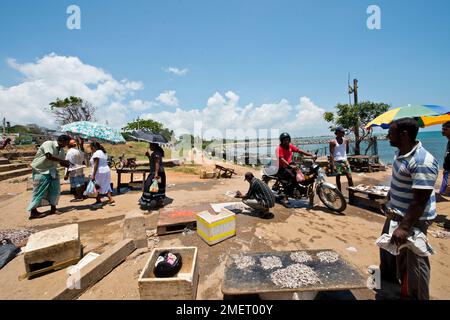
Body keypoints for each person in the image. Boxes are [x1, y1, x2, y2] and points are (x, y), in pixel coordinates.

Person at [379, 118, 438, 300]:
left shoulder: (422, 161)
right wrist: (388, 198)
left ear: (404, 135)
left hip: (414, 220)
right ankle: (391, 284)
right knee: (390, 252)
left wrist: (405, 227)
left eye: (391, 132)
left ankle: (417, 296)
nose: (388, 135)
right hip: (397, 213)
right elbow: (398, 181)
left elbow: (420, 200)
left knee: (415, 263)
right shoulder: (401, 153)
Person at [27, 135, 71, 219]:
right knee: (39, 190)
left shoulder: (61, 150)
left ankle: (53, 208)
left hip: (52, 171)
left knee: (55, 190)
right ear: (62, 141)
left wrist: (70, 165)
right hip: (40, 170)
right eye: (67, 142)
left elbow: (61, 162)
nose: (67, 144)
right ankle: (33, 212)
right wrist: (63, 161)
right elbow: (49, 156)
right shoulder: (49, 143)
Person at [276, 132, 314, 206]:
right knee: (292, 177)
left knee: (302, 174)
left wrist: (310, 155)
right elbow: (282, 159)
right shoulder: (279, 148)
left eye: (287, 140)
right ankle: (286, 198)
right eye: (284, 140)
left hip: (290, 165)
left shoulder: (290, 146)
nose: (286, 141)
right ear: (281, 141)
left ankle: (298, 189)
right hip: (281, 168)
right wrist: (290, 166)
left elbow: (299, 150)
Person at [139, 142, 166, 208]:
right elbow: (153, 162)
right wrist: (148, 156)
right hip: (158, 173)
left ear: (154, 146)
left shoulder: (156, 153)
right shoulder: (155, 153)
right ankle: (159, 202)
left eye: (150, 145)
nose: (149, 146)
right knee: (157, 187)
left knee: (148, 186)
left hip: (157, 173)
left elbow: (157, 163)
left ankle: (152, 202)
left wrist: (156, 174)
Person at [89, 141, 114, 207]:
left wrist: (93, 175)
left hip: (99, 172)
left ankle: (98, 201)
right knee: (106, 184)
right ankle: (111, 199)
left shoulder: (96, 154)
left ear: (94, 147)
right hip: (106, 170)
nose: (91, 149)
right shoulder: (103, 152)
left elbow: (96, 165)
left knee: (96, 185)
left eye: (91, 148)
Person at [329, 126, 354, 191]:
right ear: (337, 133)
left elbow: (347, 151)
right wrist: (333, 165)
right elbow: (331, 154)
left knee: (349, 177)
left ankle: (352, 192)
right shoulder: (332, 142)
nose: (343, 133)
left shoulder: (346, 140)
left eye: (343, 132)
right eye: (342, 132)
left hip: (345, 161)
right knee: (338, 178)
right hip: (337, 161)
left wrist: (347, 144)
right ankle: (340, 192)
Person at [439, 121, 450, 196]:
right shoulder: (449, 142)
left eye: (445, 129)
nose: (442, 131)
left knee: (445, 193)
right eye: (442, 129)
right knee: (443, 193)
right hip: (446, 170)